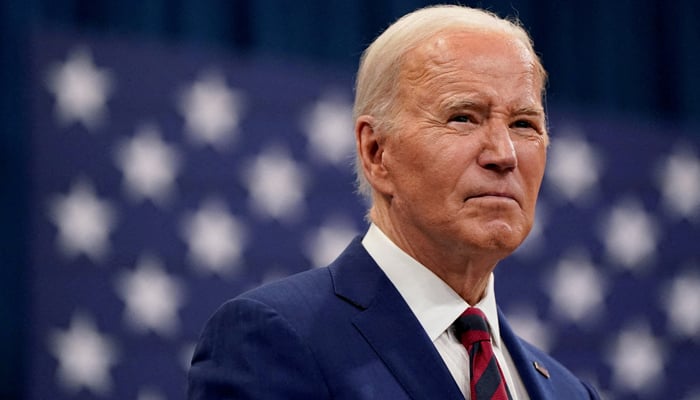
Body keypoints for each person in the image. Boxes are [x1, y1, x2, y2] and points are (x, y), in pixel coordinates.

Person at [188, 5, 600, 399]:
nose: (504, 154)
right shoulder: (273, 339)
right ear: (376, 153)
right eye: (463, 117)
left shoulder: (569, 391)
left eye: (524, 124)